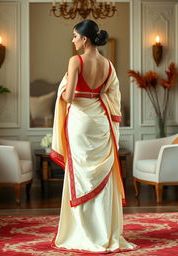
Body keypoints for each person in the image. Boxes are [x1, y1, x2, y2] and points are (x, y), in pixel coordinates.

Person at [50, 20, 138, 253]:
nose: (73, 40)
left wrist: (62, 87)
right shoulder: (108, 64)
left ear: (85, 39)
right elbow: (113, 96)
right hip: (100, 121)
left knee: (80, 174)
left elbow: (68, 98)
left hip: (80, 121)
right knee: (102, 176)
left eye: (74, 37)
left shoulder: (75, 61)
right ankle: (104, 231)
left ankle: (82, 232)